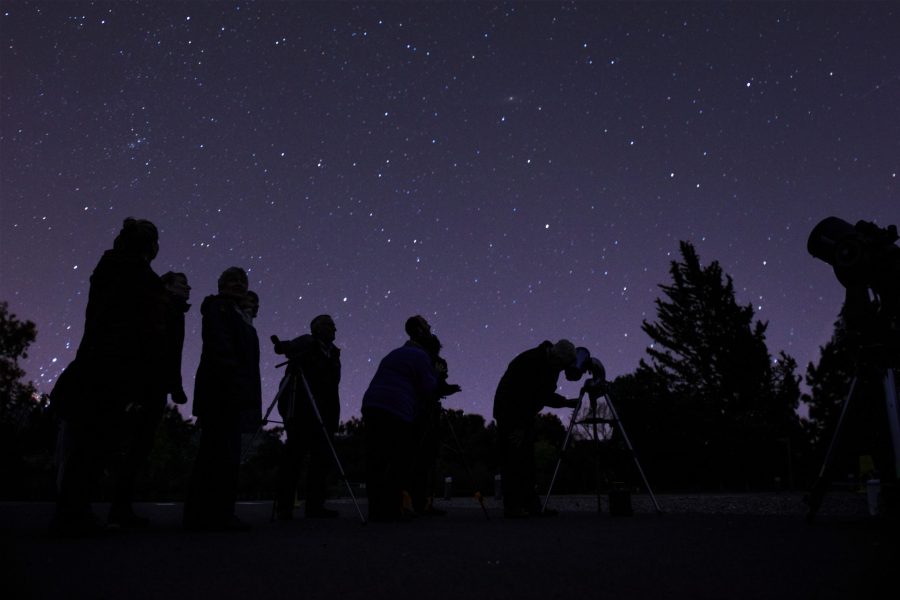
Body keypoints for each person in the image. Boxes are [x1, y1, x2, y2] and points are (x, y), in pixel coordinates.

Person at [49, 217, 167, 537]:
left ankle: (72, 510)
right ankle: (73, 515)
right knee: (94, 442)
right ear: (150, 246)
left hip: (96, 363)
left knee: (89, 442)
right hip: (114, 369)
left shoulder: (109, 268)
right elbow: (140, 329)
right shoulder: (139, 277)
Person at [107, 271, 191, 528]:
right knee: (133, 445)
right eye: (182, 284)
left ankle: (121, 508)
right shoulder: (159, 307)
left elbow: (172, 353)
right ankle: (118, 509)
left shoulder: (174, 310)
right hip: (144, 385)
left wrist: (175, 386)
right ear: (166, 286)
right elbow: (150, 346)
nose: (188, 288)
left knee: (140, 446)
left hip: (155, 385)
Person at [183, 268, 261, 531]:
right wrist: (235, 385)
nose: (239, 284)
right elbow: (222, 348)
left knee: (222, 454)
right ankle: (210, 514)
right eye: (232, 280)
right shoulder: (220, 309)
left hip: (232, 391)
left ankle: (209, 512)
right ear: (221, 285)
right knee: (217, 454)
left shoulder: (240, 315)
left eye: (243, 281)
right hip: (223, 391)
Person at [361, 315, 438, 522]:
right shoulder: (421, 356)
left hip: (372, 405)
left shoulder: (394, 354)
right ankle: (393, 510)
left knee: (376, 460)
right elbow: (429, 388)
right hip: (396, 408)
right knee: (399, 460)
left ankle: (376, 511)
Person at [492, 339, 579, 518]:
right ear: (556, 356)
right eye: (562, 366)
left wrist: (564, 402)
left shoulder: (549, 365)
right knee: (514, 458)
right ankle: (513, 507)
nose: (562, 370)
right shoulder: (531, 362)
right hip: (509, 412)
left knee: (528, 460)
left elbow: (543, 395)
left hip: (524, 413)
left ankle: (532, 505)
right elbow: (522, 397)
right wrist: (519, 427)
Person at [271, 314, 342, 519]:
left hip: (325, 411)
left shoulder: (334, 353)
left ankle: (315, 506)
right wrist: (282, 346)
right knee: (294, 458)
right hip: (302, 409)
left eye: (333, 326)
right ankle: (284, 507)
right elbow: (286, 347)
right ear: (316, 328)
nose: (333, 329)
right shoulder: (307, 343)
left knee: (321, 460)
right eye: (329, 325)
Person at [409, 332, 461, 516]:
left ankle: (423, 502)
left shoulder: (423, 358)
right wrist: (440, 380)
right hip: (422, 413)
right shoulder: (425, 361)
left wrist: (444, 384)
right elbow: (430, 386)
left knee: (427, 458)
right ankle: (420, 503)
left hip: (421, 411)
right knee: (423, 459)